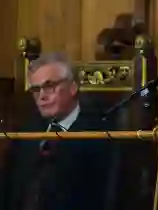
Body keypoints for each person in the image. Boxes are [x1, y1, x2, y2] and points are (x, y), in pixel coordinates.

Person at [1, 52, 111, 210]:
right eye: (36, 90)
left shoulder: (99, 136)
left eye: (49, 87)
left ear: (73, 87)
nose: (42, 97)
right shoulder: (25, 134)